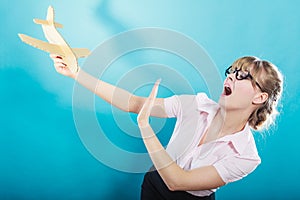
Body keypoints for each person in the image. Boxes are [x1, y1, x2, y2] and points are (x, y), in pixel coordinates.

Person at [50, 54, 283, 200]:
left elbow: (177, 182)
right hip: (153, 185)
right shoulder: (195, 104)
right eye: (231, 71)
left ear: (260, 97)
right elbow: (133, 103)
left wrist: (145, 128)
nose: (231, 77)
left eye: (243, 76)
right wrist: (76, 73)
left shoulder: (246, 156)